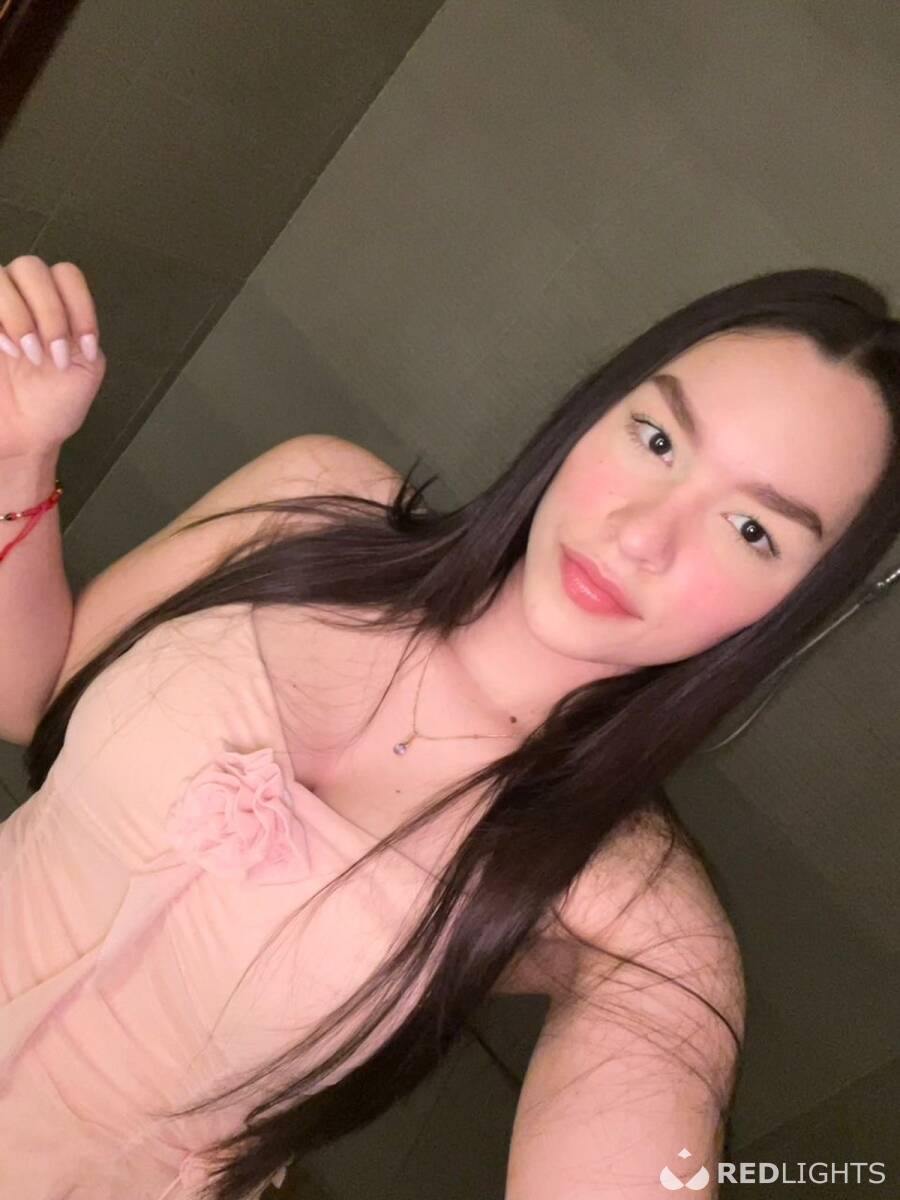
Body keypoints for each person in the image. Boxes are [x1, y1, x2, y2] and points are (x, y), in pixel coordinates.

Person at [0, 256, 897, 1200]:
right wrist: (21, 452)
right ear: (598, 410)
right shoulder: (313, 503)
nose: (641, 534)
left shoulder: (634, 915)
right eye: (658, 437)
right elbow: (29, 700)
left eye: (752, 530)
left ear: (794, 607)